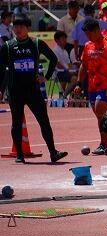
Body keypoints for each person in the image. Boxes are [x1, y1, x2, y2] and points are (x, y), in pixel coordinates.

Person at [0, 14, 68, 163]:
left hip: (33, 90)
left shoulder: (36, 43)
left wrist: (46, 77)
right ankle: (19, 155)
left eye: (21, 27)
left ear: (28, 28)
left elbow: (53, 59)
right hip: (15, 91)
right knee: (16, 122)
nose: (18, 29)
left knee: (44, 121)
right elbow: (1, 69)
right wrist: (1, 89)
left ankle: (53, 152)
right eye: (15, 27)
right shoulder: (8, 46)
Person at [73, 18, 107, 155]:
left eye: (89, 34)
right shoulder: (88, 45)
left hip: (105, 86)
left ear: (97, 31)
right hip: (92, 87)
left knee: (100, 111)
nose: (87, 37)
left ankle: (105, 143)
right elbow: (83, 65)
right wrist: (79, 83)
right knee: (100, 116)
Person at [53, 30, 78, 98]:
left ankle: (73, 95)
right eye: (63, 38)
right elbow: (57, 65)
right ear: (57, 40)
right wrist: (68, 70)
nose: (65, 40)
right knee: (75, 79)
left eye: (65, 38)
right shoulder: (55, 51)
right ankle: (64, 95)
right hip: (58, 73)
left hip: (65, 72)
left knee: (79, 75)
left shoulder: (65, 51)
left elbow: (69, 64)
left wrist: (73, 69)